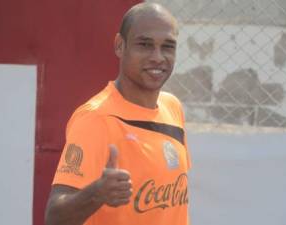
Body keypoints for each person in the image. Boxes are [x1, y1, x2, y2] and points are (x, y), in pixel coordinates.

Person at [45, 2, 191, 225]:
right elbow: (54, 218)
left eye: (168, 47)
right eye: (145, 44)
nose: (158, 57)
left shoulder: (172, 107)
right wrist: (98, 193)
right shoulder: (96, 119)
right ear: (120, 46)